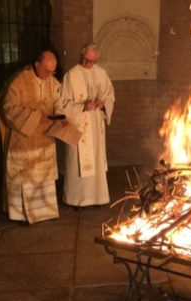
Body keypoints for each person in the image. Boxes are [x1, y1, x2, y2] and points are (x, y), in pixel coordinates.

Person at [0, 50, 63, 224]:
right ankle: (22, 215)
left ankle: (44, 212)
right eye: (47, 71)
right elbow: (8, 107)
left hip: (45, 137)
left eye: (53, 72)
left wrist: (60, 116)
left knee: (44, 176)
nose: (50, 75)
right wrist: (34, 117)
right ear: (37, 64)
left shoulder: (51, 81)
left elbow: (58, 101)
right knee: (25, 177)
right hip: (23, 137)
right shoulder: (19, 81)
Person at [60, 43, 115, 207]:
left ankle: (97, 198)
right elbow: (62, 103)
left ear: (96, 60)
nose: (87, 64)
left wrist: (102, 103)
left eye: (91, 61)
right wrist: (82, 106)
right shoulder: (71, 75)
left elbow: (110, 95)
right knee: (77, 161)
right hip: (79, 124)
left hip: (95, 125)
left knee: (96, 160)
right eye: (85, 59)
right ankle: (76, 199)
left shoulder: (101, 73)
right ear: (81, 55)